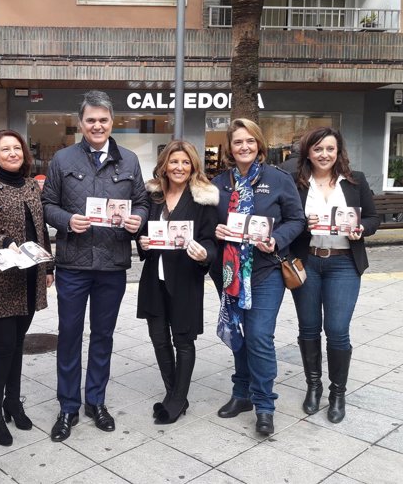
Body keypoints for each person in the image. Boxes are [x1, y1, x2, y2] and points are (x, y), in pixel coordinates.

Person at [42, 90, 148, 441]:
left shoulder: (129, 161)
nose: (97, 125)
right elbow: (47, 204)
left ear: (112, 122)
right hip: (72, 264)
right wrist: (68, 220)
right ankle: (68, 407)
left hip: (112, 265)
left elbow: (143, 203)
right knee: (69, 336)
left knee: (103, 336)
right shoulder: (62, 159)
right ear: (81, 123)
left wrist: (137, 219)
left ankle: (96, 402)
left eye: (103, 120)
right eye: (91, 120)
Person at [210, 118, 304, 436]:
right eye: (238, 142)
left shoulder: (278, 179)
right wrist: (216, 230)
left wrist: (276, 238)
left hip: (266, 270)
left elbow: (296, 219)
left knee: (260, 336)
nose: (244, 147)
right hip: (230, 271)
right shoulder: (219, 183)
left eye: (250, 141)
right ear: (230, 147)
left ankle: (264, 404)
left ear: (259, 144)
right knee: (238, 334)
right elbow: (207, 223)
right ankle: (241, 394)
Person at [0, 129, 54, 446]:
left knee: (17, 344)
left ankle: (13, 402)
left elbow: (40, 226)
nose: (13, 153)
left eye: (17, 148)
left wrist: (48, 265)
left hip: (30, 276)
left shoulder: (31, 184)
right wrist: (2, 240)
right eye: (6, 149)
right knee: (3, 347)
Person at [289, 127, 379, 423]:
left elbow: (372, 217)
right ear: (308, 153)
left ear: (338, 151)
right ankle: (313, 387)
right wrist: (304, 222)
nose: (324, 155)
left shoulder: (355, 181)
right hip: (309, 262)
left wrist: (361, 228)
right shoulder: (297, 183)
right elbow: (287, 220)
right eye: (317, 149)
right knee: (309, 328)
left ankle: (337, 393)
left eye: (330, 149)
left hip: (343, 263)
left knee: (338, 330)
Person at [136, 141, 218, 424]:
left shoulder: (203, 198)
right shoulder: (153, 197)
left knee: (182, 339)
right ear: (164, 165)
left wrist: (205, 253)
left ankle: (176, 399)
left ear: (193, 165)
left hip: (184, 278)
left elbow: (211, 240)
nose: (179, 167)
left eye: (185, 162)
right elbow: (144, 234)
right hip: (154, 279)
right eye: (174, 162)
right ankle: (175, 395)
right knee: (158, 338)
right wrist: (143, 243)